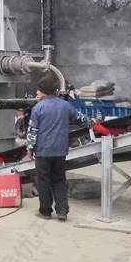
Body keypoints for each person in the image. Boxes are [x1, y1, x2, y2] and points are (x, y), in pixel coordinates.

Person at [26, 73, 91, 221]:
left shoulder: (38, 108)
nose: (37, 92)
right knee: (59, 179)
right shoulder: (65, 106)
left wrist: (29, 148)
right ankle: (62, 211)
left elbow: (33, 131)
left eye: (38, 90)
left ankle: (45, 211)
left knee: (43, 181)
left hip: (43, 151)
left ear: (44, 91)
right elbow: (80, 118)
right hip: (60, 151)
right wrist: (92, 122)